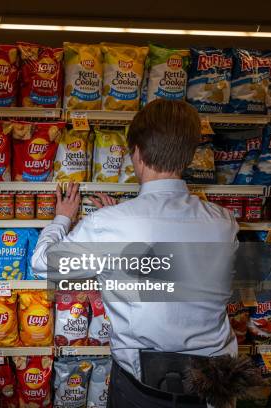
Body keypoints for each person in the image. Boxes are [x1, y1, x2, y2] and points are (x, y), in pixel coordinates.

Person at [31, 99, 246, 407]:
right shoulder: (223, 222)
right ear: (188, 156)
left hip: (142, 391)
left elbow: (42, 264)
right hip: (215, 389)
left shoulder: (109, 226)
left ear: (138, 153)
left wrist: (64, 217)